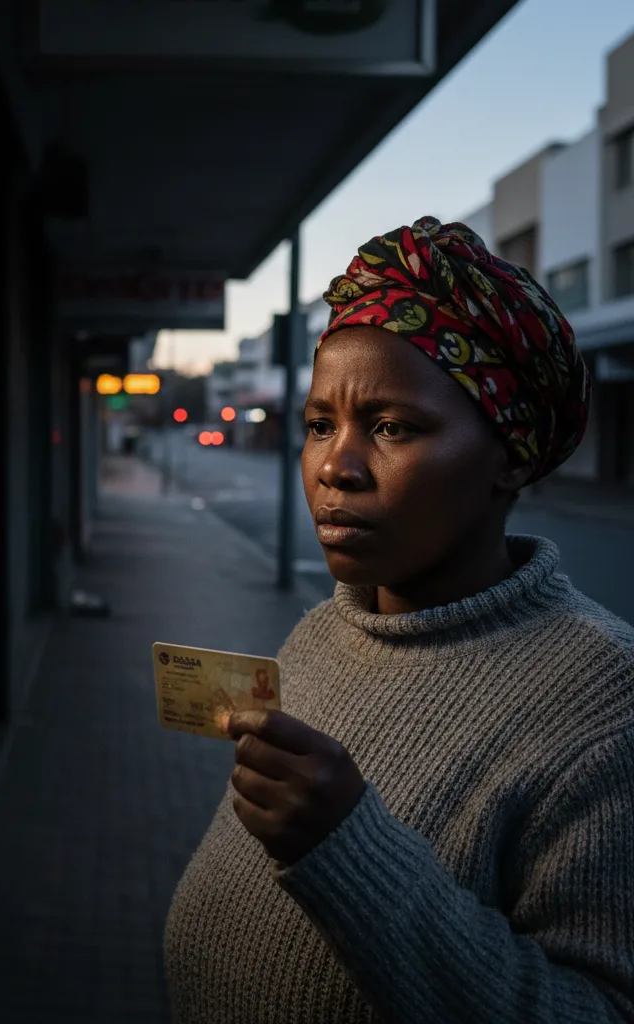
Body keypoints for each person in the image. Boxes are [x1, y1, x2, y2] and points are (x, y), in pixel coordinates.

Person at [163, 217, 634, 1023]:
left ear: (513, 451)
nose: (335, 468)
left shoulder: (606, 707)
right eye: (319, 426)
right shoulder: (325, 631)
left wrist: (348, 849)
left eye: (391, 428)